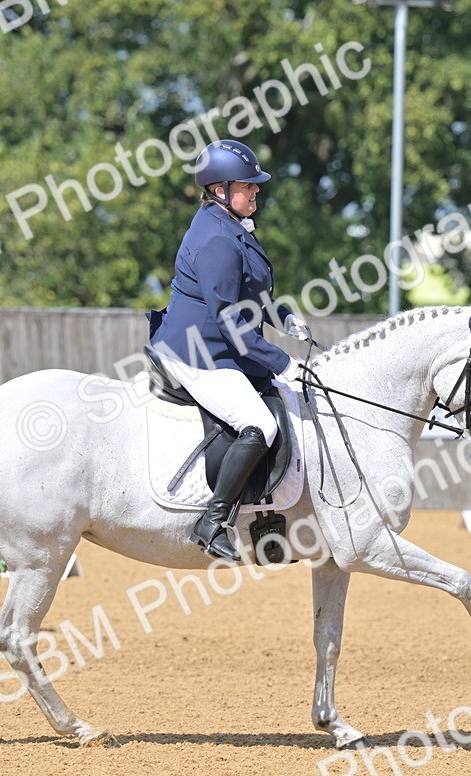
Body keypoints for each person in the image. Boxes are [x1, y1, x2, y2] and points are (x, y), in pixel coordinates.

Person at [147, 139, 310, 561]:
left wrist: (283, 317)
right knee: (260, 423)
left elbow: (250, 295)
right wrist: (282, 361)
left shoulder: (229, 226)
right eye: (248, 185)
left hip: (219, 346)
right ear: (220, 189)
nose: (256, 190)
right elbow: (228, 319)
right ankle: (212, 521)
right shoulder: (218, 239)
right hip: (196, 352)